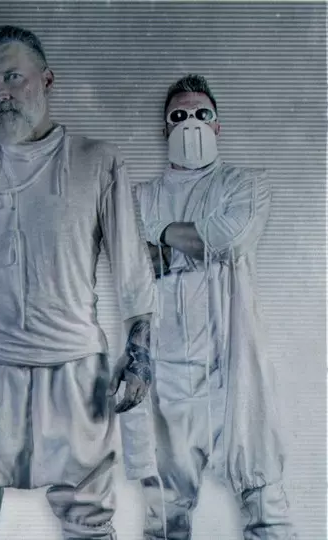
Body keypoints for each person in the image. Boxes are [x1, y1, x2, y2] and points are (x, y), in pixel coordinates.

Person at [0, 25, 157, 540]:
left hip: (73, 372)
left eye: (13, 77)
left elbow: (132, 267)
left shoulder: (97, 162)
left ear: (47, 80)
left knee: (89, 524)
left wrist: (140, 354)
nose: (1, 93)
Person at [126, 74, 296, 539]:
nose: (191, 123)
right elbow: (132, 269)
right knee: (165, 515)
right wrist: (191, 242)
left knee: (264, 502)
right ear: (164, 127)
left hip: (233, 369)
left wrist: (160, 235)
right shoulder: (139, 198)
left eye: (203, 114)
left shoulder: (246, 185)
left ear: (218, 125)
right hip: (167, 377)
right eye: (179, 115)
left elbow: (229, 238)